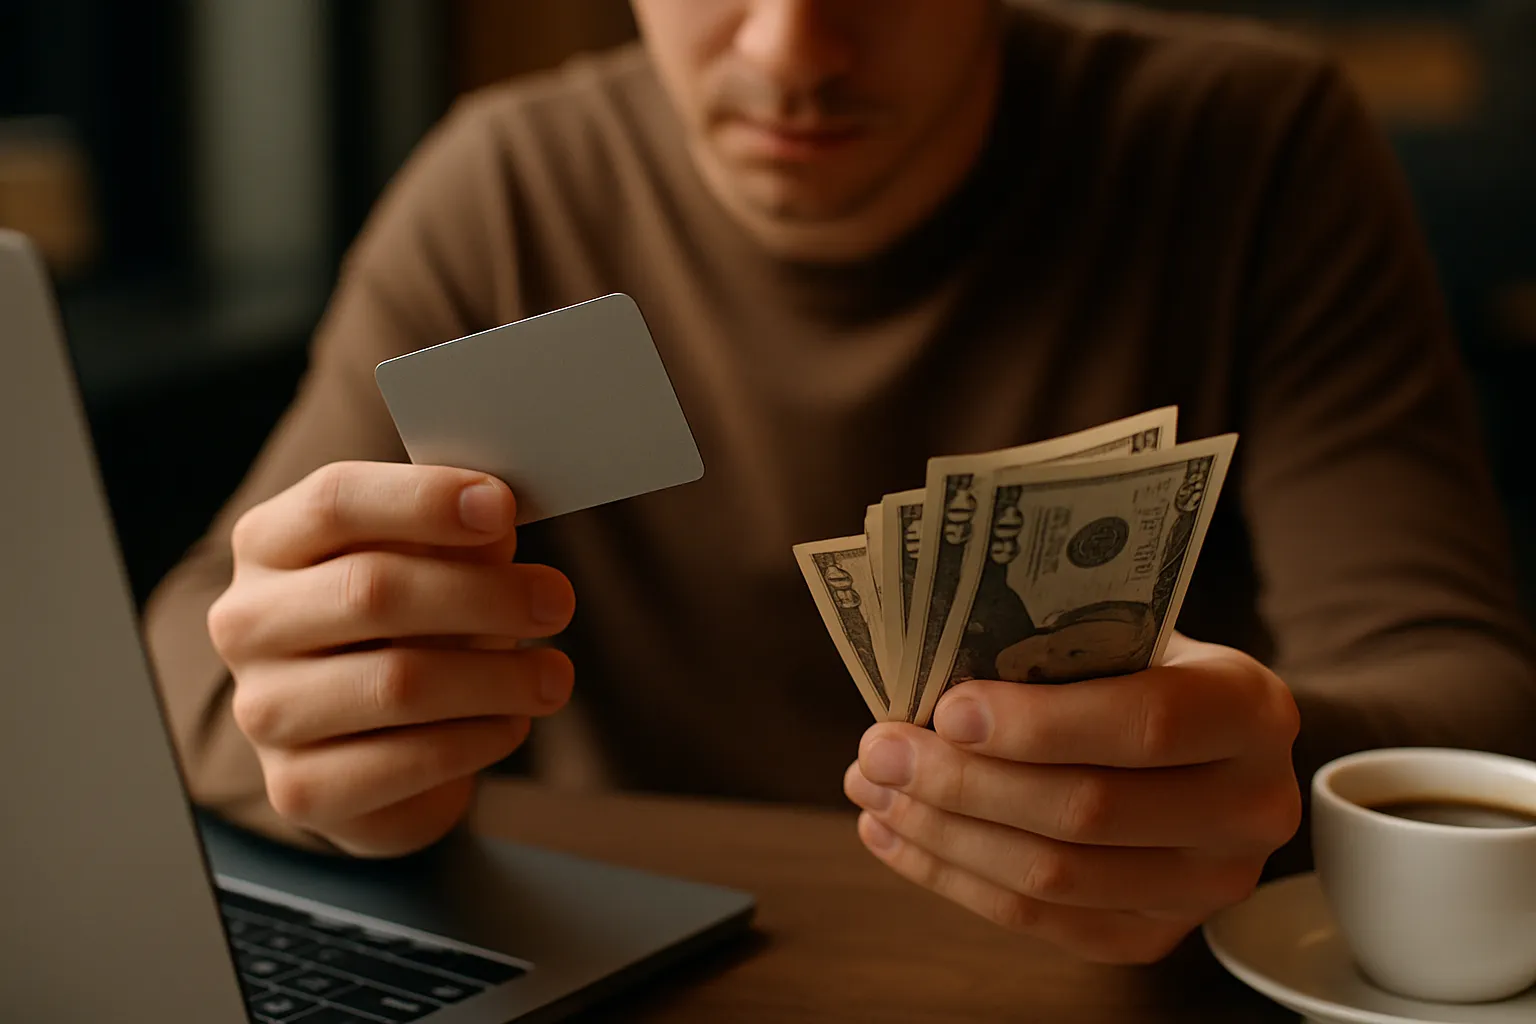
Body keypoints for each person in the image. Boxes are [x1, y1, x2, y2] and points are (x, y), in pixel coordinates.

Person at [144, 0, 1536, 965]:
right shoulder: (506, 187)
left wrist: (1262, 777)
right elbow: (195, 652)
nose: (791, 47)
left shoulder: (1250, 148)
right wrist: (319, 747)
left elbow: (1467, 697)